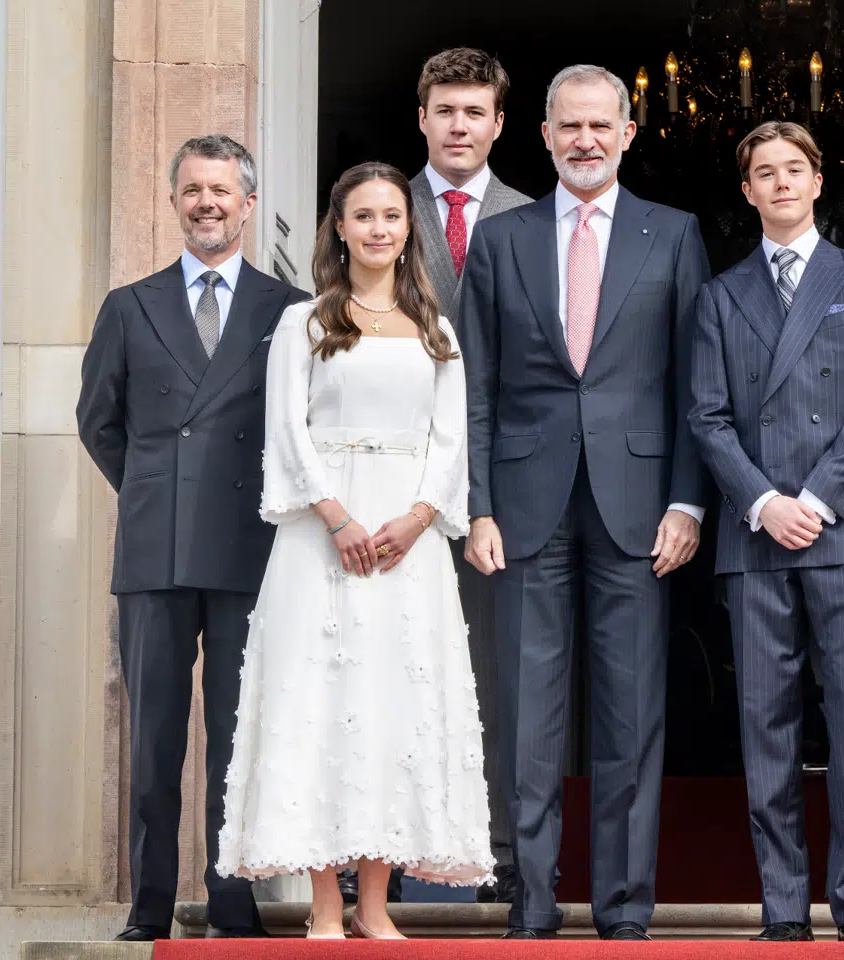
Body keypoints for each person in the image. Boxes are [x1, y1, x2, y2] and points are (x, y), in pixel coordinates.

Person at [460, 64, 710, 941]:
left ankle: (624, 911)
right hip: (522, 507)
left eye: (602, 125)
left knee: (630, 718)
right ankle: (530, 905)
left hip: (640, 511)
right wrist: (477, 505)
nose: (586, 140)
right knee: (529, 718)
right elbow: (476, 387)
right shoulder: (502, 239)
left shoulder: (673, 234)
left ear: (629, 133)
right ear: (543, 134)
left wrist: (688, 502)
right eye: (570, 125)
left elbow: (695, 385)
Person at [215, 162, 494, 940]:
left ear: (409, 231)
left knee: (392, 711)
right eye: (363, 215)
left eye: (392, 216)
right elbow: (286, 429)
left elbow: (450, 439)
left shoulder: (436, 331)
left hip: (409, 546)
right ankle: (325, 904)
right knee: (320, 706)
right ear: (339, 227)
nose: (378, 229)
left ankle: (374, 904)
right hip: (321, 539)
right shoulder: (303, 324)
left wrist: (419, 516)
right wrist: (336, 517)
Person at [76, 134, 308, 941]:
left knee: (238, 736)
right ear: (176, 201)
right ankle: (149, 906)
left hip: (251, 549)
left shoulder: (289, 309)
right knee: (154, 738)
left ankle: (234, 901)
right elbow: (98, 422)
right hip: (156, 552)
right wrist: (154, 489)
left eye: (221, 191)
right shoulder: (129, 305)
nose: (207, 204)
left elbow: (301, 427)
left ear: (249, 204)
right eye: (193, 191)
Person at [688, 121, 844, 943]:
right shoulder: (720, 295)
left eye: (794, 169)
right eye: (765, 173)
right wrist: (763, 503)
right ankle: (783, 910)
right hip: (756, 536)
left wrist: (814, 497)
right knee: (764, 724)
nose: (781, 183)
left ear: (818, 181)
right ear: (747, 192)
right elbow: (706, 417)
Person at [408, 47, 533, 903]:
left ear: (498, 124)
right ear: (422, 118)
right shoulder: (379, 206)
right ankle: (394, 850)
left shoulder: (533, 217)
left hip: (505, 486)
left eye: (474, 112)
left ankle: (498, 851)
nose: (459, 126)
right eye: (445, 110)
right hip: (397, 483)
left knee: (500, 670)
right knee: (399, 664)